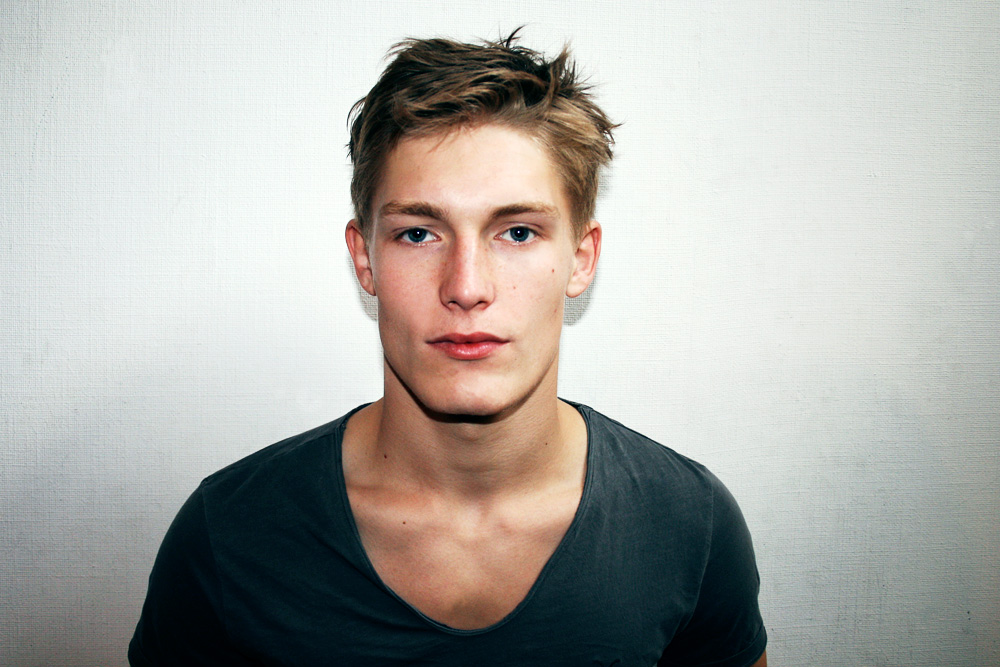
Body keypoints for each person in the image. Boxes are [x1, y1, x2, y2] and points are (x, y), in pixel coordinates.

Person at [129, 31, 767, 666]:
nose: (465, 287)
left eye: (517, 233)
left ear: (581, 258)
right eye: (418, 234)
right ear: (365, 259)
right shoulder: (229, 533)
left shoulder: (689, 525)